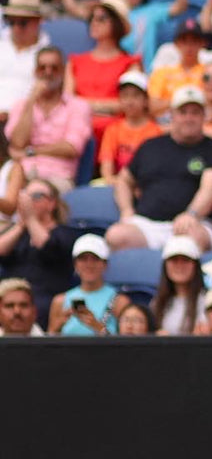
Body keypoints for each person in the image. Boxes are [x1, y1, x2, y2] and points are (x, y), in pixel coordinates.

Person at [106, 85, 212, 252]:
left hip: (194, 222)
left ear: (204, 116)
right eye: (183, 112)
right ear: (172, 115)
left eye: (195, 112)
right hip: (147, 224)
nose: (189, 118)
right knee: (116, 235)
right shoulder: (150, 146)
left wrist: (192, 214)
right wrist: (126, 211)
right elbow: (124, 180)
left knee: (190, 242)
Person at [4, 45, 92, 193]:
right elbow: (18, 142)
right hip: (22, 174)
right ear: (35, 72)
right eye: (42, 68)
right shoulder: (22, 105)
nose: (48, 72)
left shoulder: (78, 106)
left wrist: (30, 151)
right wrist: (31, 100)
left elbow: (71, 148)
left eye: (54, 68)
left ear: (63, 71)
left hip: (57, 178)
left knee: (33, 194)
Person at [65, 0, 141, 144]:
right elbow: (66, 100)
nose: (94, 23)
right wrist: (103, 106)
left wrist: (85, 105)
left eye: (101, 18)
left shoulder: (130, 62)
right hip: (78, 130)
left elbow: (131, 104)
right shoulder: (75, 61)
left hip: (115, 134)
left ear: (117, 23)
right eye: (92, 18)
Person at [0, 178, 75, 326]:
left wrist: (31, 219)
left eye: (36, 196)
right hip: (9, 298)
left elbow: (48, 246)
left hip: (44, 301)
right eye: (26, 197)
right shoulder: (17, 232)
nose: (29, 202)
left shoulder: (64, 233)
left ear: (52, 203)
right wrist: (22, 225)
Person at [47, 235, 130, 336]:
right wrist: (58, 325)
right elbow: (49, 342)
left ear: (105, 264)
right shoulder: (60, 301)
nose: (89, 264)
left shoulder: (119, 301)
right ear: (75, 264)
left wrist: (96, 326)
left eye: (95, 259)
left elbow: (124, 345)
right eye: (83, 259)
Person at [98, 69, 161, 181]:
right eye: (125, 96)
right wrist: (116, 182)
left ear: (146, 100)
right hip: (116, 183)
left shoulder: (155, 131)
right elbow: (106, 169)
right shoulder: (113, 130)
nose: (130, 101)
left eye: (135, 96)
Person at [0, 0, 50, 130]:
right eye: (11, 21)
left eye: (22, 22)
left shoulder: (48, 55)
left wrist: (13, 113)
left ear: (38, 21)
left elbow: (44, 95)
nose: (16, 28)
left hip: (25, 121)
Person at [149, 234, 205, 335]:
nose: (179, 266)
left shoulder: (207, 300)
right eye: (174, 260)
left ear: (195, 265)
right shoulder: (156, 303)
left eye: (185, 260)